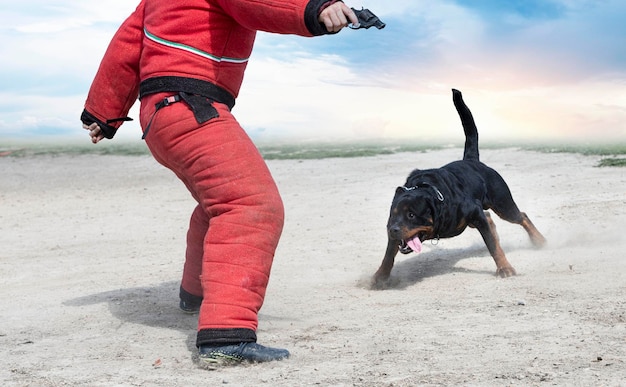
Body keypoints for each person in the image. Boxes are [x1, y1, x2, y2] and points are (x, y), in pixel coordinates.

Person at [80, 0, 359, 365]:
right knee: (250, 205)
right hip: (190, 105)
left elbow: (127, 45)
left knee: (218, 204)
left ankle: (194, 295)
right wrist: (315, 10)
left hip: (161, 115)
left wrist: (105, 111)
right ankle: (226, 336)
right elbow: (257, 4)